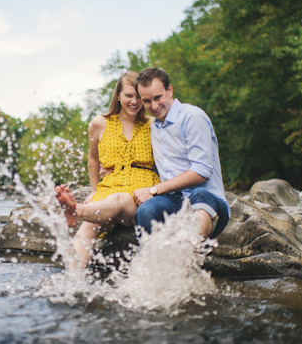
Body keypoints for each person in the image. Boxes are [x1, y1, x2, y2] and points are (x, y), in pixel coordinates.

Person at [55, 71, 160, 267]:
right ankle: (73, 282)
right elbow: (93, 158)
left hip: (140, 192)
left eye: (138, 96)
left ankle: (76, 210)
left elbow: (168, 160)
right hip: (109, 186)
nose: (134, 101)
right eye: (129, 95)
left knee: (117, 199)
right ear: (118, 95)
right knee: (88, 228)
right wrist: (95, 191)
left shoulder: (153, 124)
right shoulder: (99, 123)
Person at [132, 67, 230, 239]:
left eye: (158, 97)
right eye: (147, 101)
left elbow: (202, 172)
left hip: (207, 200)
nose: (154, 106)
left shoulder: (192, 117)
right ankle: (153, 262)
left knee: (199, 194)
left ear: (169, 90)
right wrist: (111, 168)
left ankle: (187, 260)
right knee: (147, 209)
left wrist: (154, 190)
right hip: (173, 201)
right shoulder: (152, 126)